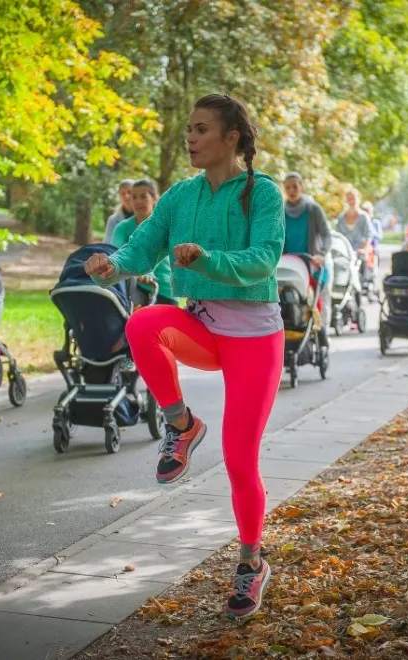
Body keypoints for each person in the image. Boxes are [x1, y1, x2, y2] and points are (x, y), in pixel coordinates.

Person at [85, 94, 283, 620]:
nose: (190, 138)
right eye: (189, 129)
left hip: (255, 338)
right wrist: (114, 265)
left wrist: (209, 258)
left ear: (231, 138)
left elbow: (265, 259)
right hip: (202, 325)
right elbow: (142, 247)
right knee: (143, 322)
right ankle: (182, 425)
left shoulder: (260, 193)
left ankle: (250, 562)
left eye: (200, 129)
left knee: (241, 459)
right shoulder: (179, 196)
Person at [110, 178, 178, 306]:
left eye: (143, 196)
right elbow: (116, 254)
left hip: (166, 290)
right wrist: (139, 271)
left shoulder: (167, 225)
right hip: (135, 288)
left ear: (154, 198)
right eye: (134, 197)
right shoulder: (122, 228)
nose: (138, 201)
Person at [281, 172, 332, 345]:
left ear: (301, 187)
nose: (291, 190)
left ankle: (320, 328)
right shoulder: (280, 211)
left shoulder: (312, 209)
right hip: (288, 266)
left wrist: (321, 254)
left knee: (315, 296)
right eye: (288, 187)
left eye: (295, 186)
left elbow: (326, 234)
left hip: (311, 262)